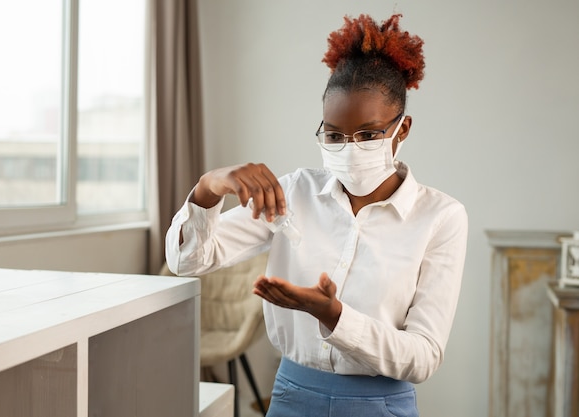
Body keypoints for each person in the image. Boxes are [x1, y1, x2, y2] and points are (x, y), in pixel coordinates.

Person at [165, 12, 468, 417]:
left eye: (368, 134)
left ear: (403, 128)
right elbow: (187, 260)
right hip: (292, 398)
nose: (349, 147)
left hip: (380, 405)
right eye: (334, 135)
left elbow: (423, 356)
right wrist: (209, 187)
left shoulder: (441, 217)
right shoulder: (294, 192)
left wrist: (335, 316)